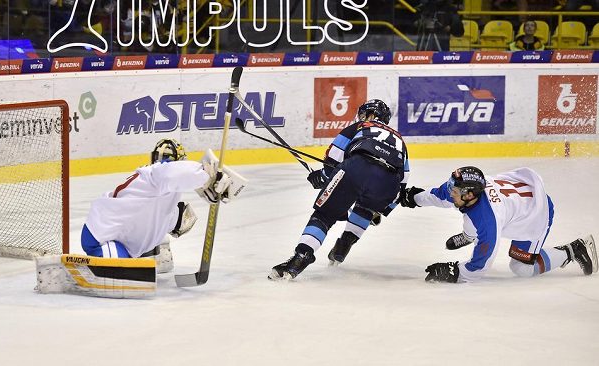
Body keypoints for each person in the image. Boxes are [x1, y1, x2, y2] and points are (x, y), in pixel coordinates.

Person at [269, 99, 410, 280]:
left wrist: (322, 177)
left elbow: (333, 160)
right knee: (365, 209)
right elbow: (403, 181)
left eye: (363, 114)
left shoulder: (359, 127)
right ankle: (345, 244)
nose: (360, 117)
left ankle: (301, 256)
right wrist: (383, 208)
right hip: (389, 184)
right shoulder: (399, 139)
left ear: (371, 115)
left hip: (357, 168)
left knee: (324, 215)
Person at [400, 166, 597, 283]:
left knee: (521, 268)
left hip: (536, 211)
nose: (450, 190)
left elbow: (480, 266)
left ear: (469, 195)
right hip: (515, 200)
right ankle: (470, 236)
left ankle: (574, 250)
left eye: (454, 189)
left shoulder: (487, 221)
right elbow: (439, 196)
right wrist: (413, 197)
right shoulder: (463, 190)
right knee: (469, 218)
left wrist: (455, 271)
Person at [81, 139, 241, 273]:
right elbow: (173, 174)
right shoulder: (156, 175)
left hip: (122, 234)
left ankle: (158, 252)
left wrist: (207, 185)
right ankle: (104, 260)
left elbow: (174, 213)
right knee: (124, 269)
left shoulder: (158, 184)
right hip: (101, 237)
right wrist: (206, 175)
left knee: (180, 215)